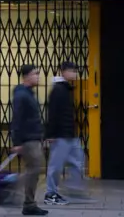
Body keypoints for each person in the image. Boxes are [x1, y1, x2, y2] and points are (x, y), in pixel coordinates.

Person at [44, 62, 94, 205]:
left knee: (78, 160)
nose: (75, 74)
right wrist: (51, 134)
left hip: (70, 134)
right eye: (73, 71)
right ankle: (50, 194)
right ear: (64, 72)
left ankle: (72, 188)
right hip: (60, 135)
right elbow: (52, 114)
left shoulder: (67, 88)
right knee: (56, 166)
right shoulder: (58, 90)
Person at [11, 65, 48, 216]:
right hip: (28, 139)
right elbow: (17, 118)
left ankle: (27, 201)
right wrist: (17, 142)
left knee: (34, 169)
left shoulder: (28, 93)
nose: (38, 76)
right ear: (26, 76)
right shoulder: (22, 95)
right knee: (34, 169)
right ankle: (28, 203)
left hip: (33, 137)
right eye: (35, 74)